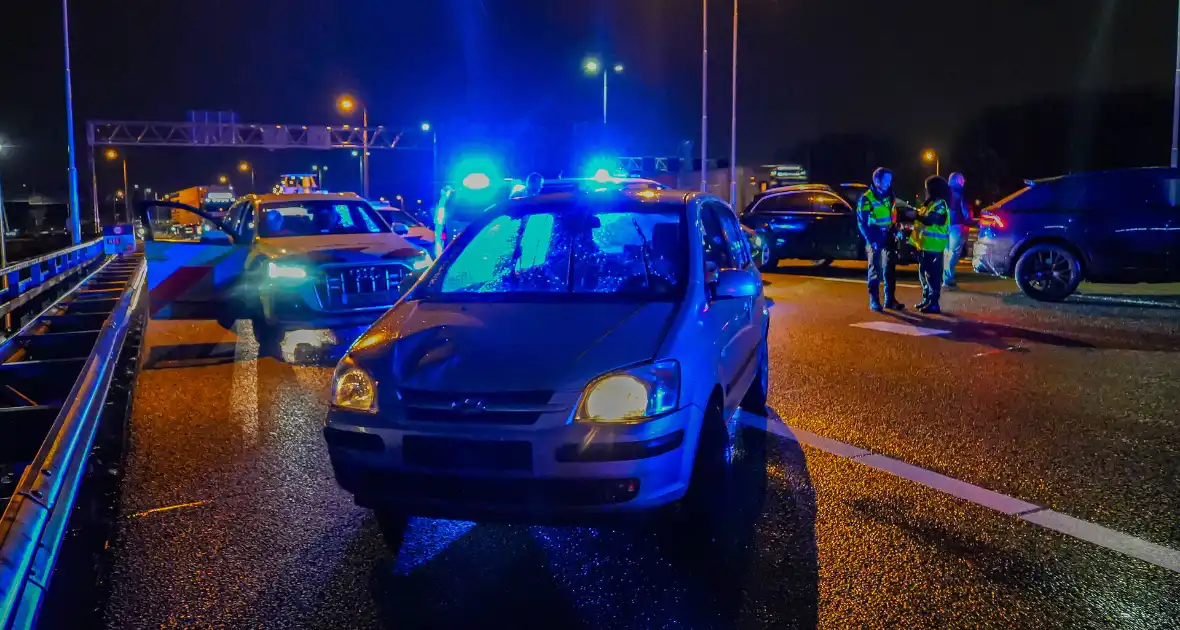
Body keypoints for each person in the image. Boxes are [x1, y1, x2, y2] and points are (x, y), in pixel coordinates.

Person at [856, 167, 907, 311]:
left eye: (889, 180)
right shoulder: (867, 198)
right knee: (875, 270)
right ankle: (874, 301)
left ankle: (890, 300)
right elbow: (863, 223)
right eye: (886, 180)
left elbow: (893, 215)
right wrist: (871, 240)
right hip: (875, 237)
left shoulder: (890, 195)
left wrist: (896, 228)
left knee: (890, 269)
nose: (888, 183)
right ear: (876, 180)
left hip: (889, 235)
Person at [910, 175, 951, 314]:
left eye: (927, 188)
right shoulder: (929, 203)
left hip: (933, 246)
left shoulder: (940, 205)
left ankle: (934, 303)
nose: (925, 190)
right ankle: (927, 299)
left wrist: (915, 215)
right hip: (924, 245)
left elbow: (931, 220)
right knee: (923, 273)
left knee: (931, 275)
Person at [943, 172, 971, 289]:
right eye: (962, 179)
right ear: (958, 180)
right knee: (954, 252)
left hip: (944, 224)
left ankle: (945, 278)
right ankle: (949, 278)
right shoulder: (960, 191)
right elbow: (964, 209)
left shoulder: (944, 191)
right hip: (957, 224)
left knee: (946, 252)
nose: (963, 181)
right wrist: (968, 220)